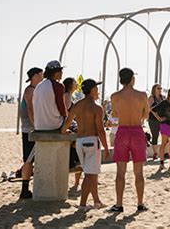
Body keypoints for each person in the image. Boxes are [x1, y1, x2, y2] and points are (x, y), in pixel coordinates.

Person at [61, 79, 109, 210]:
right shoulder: (96, 107)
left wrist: (64, 132)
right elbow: (100, 130)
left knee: (91, 173)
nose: (98, 90)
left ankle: (97, 201)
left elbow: (67, 122)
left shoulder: (77, 105)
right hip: (91, 141)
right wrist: (106, 147)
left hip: (80, 142)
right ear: (93, 90)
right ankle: (82, 203)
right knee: (89, 175)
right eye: (96, 88)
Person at [109, 68, 149, 213]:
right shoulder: (142, 95)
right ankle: (140, 203)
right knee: (139, 172)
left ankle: (119, 204)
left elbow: (114, 117)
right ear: (132, 79)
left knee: (120, 172)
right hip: (137, 131)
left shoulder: (115, 97)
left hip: (123, 131)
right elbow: (146, 115)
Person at [18, 67, 43, 199]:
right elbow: (30, 109)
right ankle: (24, 189)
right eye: (41, 75)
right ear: (35, 76)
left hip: (31, 128)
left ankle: (27, 188)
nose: (43, 77)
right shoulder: (30, 90)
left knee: (31, 159)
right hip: (29, 129)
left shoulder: (35, 90)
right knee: (28, 159)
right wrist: (36, 126)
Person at [33, 60, 67, 131]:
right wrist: (66, 119)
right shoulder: (58, 86)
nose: (62, 73)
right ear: (55, 73)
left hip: (38, 125)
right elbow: (61, 106)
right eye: (60, 71)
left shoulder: (39, 86)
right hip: (54, 125)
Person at [63, 77, 81, 190]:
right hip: (70, 125)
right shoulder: (67, 95)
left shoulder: (70, 95)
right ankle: (76, 182)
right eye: (75, 82)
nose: (77, 84)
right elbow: (66, 113)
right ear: (70, 85)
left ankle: (76, 182)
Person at [147, 84, 164, 160]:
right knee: (155, 136)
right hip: (153, 119)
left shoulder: (162, 98)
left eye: (161, 88)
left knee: (165, 135)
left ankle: (165, 153)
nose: (160, 90)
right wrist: (158, 117)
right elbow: (151, 109)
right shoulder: (151, 98)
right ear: (154, 89)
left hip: (162, 119)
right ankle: (155, 153)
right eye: (158, 88)